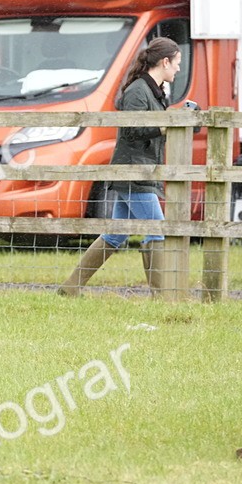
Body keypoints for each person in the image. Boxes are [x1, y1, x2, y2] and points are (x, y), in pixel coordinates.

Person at [59, 37, 183, 296]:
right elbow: (132, 129)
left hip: (142, 170)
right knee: (157, 230)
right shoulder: (138, 90)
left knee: (115, 235)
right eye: (177, 63)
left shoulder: (155, 92)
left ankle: (69, 289)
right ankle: (162, 298)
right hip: (134, 173)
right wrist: (166, 125)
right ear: (165, 62)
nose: (179, 69)